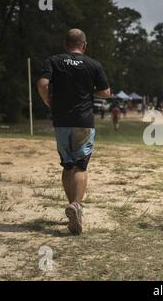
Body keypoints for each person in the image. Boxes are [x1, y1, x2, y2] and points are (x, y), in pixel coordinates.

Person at [37, 29, 110, 235]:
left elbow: (42, 83)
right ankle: (76, 206)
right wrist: (89, 89)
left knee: (67, 164)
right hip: (83, 122)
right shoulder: (93, 64)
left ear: (65, 43)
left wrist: (48, 100)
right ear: (84, 46)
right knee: (80, 165)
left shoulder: (54, 61)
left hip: (61, 120)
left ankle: (72, 207)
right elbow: (106, 92)